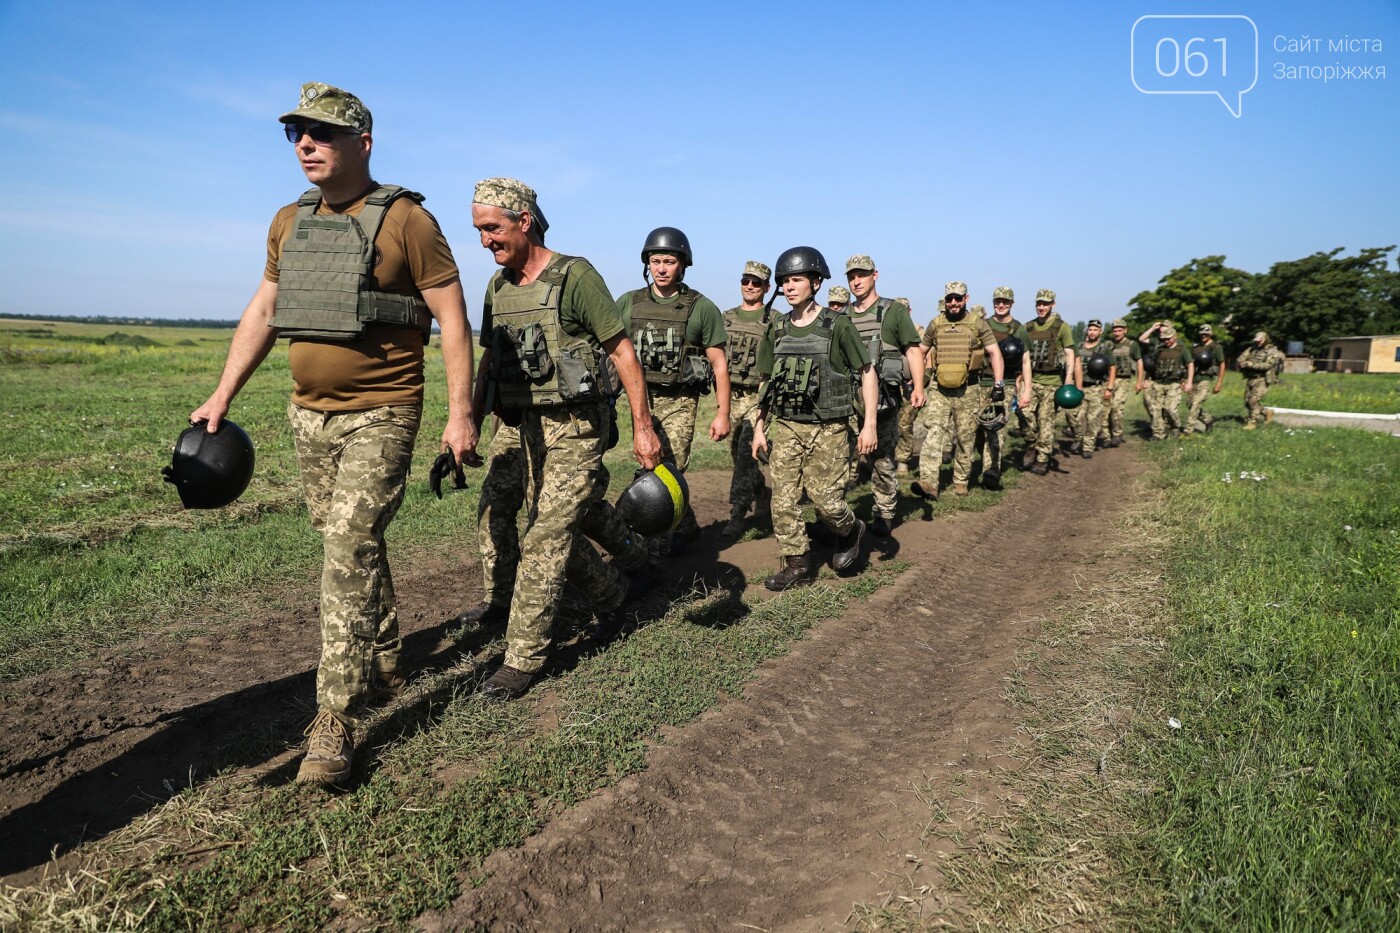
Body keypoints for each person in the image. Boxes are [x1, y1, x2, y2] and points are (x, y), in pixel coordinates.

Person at [188, 83, 477, 785]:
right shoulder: (288, 221)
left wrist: (459, 410)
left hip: (384, 409)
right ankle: (381, 653)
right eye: (296, 133)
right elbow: (265, 308)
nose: (306, 144)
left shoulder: (409, 221)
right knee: (345, 539)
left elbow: (453, 318)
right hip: (308, 413)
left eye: (321, 132)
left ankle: (334, 720)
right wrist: (223, 393)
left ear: (363, 143)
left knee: (347, 546)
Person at [469, 177, 662, 701]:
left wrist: (644, 429)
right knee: (561, 520)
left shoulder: (576, 277)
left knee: (547, 534)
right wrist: (467, 417)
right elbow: (491, 359)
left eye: (492, 228)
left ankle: (523, 658)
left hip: (577, 427)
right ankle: (617, 588)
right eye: (479, 231)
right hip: (523, 426)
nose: (485, 241)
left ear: (524, 220)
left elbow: (622, 353)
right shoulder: (497, 288)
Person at [751, 247, 877, 590]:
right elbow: (766, 380)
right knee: (784, 499)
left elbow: (867, 371)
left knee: (826, 502)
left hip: (830, 428)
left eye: (797, 279)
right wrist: (759, 428)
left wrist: (868, 425)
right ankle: (797, 562)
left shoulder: (838, 326)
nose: (789, 287)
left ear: (816, 283)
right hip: (789, 425)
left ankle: (850, 530)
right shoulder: (776, 329)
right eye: (784, 281)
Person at [617, 228, 731, 551]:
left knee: (660, 472)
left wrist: (723, 413)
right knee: (652, 465)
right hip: (641, 399)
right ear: (647, 264)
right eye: (656, 261)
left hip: (681, 399)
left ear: (683, 265)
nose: (662, 268)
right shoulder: (628, 303)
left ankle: (655, 555)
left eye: (669, 261)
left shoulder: (701, 308)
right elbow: (612, 351)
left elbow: (719, 364)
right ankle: (687, 526)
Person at [842, 255, 924, 536]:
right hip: (850, 400)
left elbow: (913, 350)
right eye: (852, 276)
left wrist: (919, 387)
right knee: (843, 456)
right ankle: (840, 517)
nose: (856, 281)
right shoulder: (844, 316)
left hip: (885, 400)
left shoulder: (894, 311)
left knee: (882, 458)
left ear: (875, 275)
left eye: (862, 275)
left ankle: (885, 513)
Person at [914, 281, 1005, 501]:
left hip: (969, 389)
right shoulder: (936, 324)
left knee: (966, 438)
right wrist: (919, 385)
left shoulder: (978, 324)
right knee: (933, 432)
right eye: (949, 299)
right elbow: (920, 352)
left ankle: (961, 481)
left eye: (957, 298)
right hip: (940, 389)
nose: (953, 303)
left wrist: (999, 385)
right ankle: (928, 482)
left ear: (966, 299)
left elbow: (995, 353)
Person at [721, 260, 775, 537]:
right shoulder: (726, 318)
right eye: (746, 281)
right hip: (731, 395)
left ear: (767, 287)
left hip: (758, 396)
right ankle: (761, 492)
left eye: (756, 282)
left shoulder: (775, 320)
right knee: (738, 456)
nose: (750, 286)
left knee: (745, 454)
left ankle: (738, 512)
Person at [976, 286, 1031, 487]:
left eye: (1005, 302)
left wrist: (1027, 389)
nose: (1001, 305)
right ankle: (982, 462)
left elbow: (1026, 361)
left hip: (1005, 384)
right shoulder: (983, 325)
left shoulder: (1019, 329)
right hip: (982, 382)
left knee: (996, 426)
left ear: (1012, 304)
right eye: (998, 301)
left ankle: (991, 471)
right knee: (977, 429)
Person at [1021, 289, 1075, 474]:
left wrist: (1068, 379)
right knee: (1024, 415)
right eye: (1039, 303)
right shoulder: (1027, 327)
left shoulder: (1062, 327)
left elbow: (1070, 354)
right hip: (1031, 381)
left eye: (1045, 303)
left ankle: (1042, 459)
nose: (1041, 307)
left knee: (1046, 421)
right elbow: (1023, 356)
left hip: (1052, 382)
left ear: (1053, 304)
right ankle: (1031, 444)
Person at [1138, 321, 1194, 439]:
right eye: (1164, 339)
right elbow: (1151, 366)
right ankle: (1158, 433)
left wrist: (1188, 382)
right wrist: (1146, 379)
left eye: (1168, 339)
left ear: (1175, 336)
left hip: (1174, 383)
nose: (1166, 341)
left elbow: (1190, 364)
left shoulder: (1182, 349)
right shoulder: (1159, 349)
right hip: (1159, 383)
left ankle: (1175, 427)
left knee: (1170, 408)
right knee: (1155, 409)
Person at [1072, 319, 1111, 458]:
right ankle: (1078, 438)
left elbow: (1112, 367)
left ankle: (1088, 446)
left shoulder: (1104, 348)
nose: (1092, 332)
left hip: (1095, 387)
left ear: (1100, 331)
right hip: (1079, 387)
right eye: (1090, 329)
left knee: (1092, 418)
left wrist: (1109, 388)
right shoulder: (1079, 346)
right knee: (1074, 415)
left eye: (1095, 329)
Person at [1104, 318, 1143, 447]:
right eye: (1115, 330)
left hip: (1124, 379)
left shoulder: (1132, 345)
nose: (1117, 333)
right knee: (1107, 408)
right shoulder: (1107, 345)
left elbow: (1139, 362)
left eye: (1120, 330)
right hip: (1108, 379)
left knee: (1117, 406)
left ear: (1125, 331)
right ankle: (1107, 434)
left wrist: (1139, 381)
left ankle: (1117, 434)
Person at [1237, 330, 1285, 429]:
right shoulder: (1252, 349)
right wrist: (1242, 362)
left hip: (1262, 379)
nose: (1258, 342)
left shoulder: (1272, 351)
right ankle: (1267, 413)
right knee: (1247, 402)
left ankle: (1252, 423)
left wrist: (1251, 364)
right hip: (1251, 378)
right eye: (1257, 340)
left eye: (1260, 340)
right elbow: (1242, 357)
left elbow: (1268, 365)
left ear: (1265, 340)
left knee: (1253, 401)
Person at [1186, 324, 1227, 433]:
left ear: (1210, 334)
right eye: (1202, 334)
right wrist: (1185, 380)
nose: (1204, 336)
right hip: (1194, 378)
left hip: (1206, 379)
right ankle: (1209, 420)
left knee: (1196, 403)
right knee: (1190, 404)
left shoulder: (1216, 347)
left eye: (1206, 334)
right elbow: (1189, 364)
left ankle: (1188, 429)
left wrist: (1219, 383)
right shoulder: (1195, 347)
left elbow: (1222, 364)